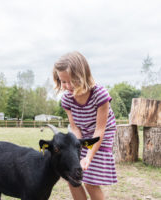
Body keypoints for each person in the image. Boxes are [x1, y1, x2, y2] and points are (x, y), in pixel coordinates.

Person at [53, 51, 117, 200]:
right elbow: (75, 128)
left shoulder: (100, 95)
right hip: (83, 134)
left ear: (82, 76)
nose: (67, 86)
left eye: (71, 81)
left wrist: (88, 157)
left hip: (101, 136)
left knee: (90, 182)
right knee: (72, 178)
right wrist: (76, 150)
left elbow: (100, 129)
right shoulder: (67, 100)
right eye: (63, 81)